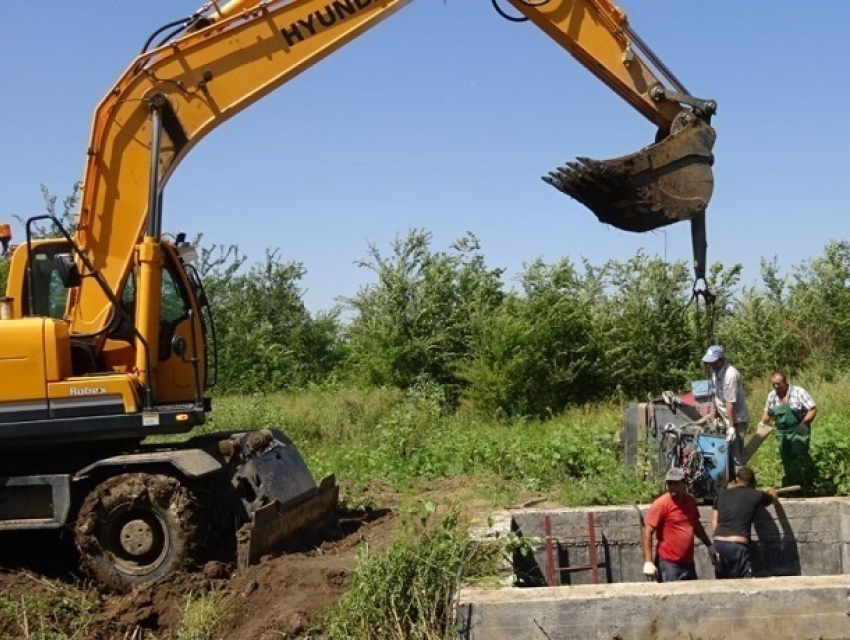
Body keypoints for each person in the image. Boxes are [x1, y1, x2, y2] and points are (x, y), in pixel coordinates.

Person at [642, 467, 717, 581]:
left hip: (688, 562)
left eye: (676, 483)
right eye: (670, 483)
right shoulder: (661, 504)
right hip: (669, 563)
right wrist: (648, 561)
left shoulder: (690, 501)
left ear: (683, 483)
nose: (672, 487)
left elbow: (696, 525)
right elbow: (648, 531)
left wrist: (709, 545)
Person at [711, 467, 778, 579]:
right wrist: (770, 490)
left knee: (722, 584)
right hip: (737, 546)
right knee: (744, 585)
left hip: (717, 545)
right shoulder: (757, 495)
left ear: (736, 480)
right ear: (753, 482)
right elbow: (774, 499)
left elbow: (714, 523)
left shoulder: (721, 496)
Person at [759, 370, 818, 489]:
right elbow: (768, 413)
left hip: (798, 428)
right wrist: (762, 422)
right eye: (773, 384)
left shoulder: (798, 392)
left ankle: (806, 483)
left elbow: (812, 409)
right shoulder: (771, 396)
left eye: (778, 384)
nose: (776, 386)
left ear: (785, 382)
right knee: (786, 459)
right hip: (782, 433)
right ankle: (791, 485)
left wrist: (804, 423)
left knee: (798, 453)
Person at [702, 345, 750, 472]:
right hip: (724, 415)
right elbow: (715, 394)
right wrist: (714, 413)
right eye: (709, 362)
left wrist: (731, 426)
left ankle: (741, 482)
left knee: (736, 453)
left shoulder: (731, 375)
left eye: (714, 361)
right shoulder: (713, 371)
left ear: (722, 359)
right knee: (723, 450)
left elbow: (730, 403)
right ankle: (728, 479)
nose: (711, 364)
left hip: (736, 418)